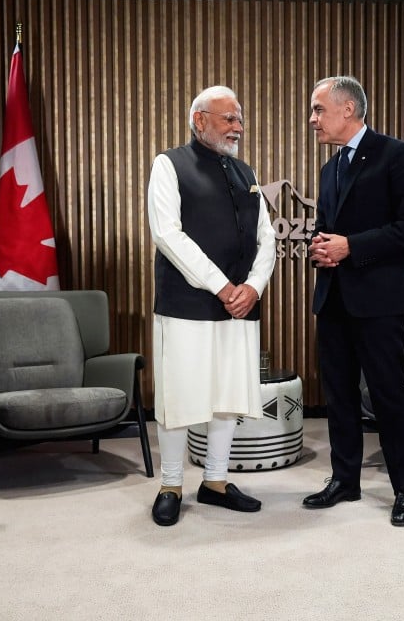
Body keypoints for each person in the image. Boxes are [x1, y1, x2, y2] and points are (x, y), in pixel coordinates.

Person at [146, 85, 276, 527]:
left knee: (227, 396)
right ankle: (170, 485)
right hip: (187, 303)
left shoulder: (246, 172)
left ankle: (216, 482)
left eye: (240, 119)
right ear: (199, 120)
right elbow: (167, 233)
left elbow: (267, 238)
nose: (238, 127)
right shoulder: (169, 164)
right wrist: (224, 287)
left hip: (241, 305)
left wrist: (254, 286)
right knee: (178, 396)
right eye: (229, 119)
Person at [304, 76, 404, 526]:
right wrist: (320, 248)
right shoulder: (329, 167)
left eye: (318, 110)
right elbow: (328, 228)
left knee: (389, 396)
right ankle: (345, 479)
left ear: (348, 109)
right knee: (337, 395)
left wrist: (350, 246)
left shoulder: (395, 154)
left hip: (379, 301)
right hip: (333, 298)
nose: (312, 119)